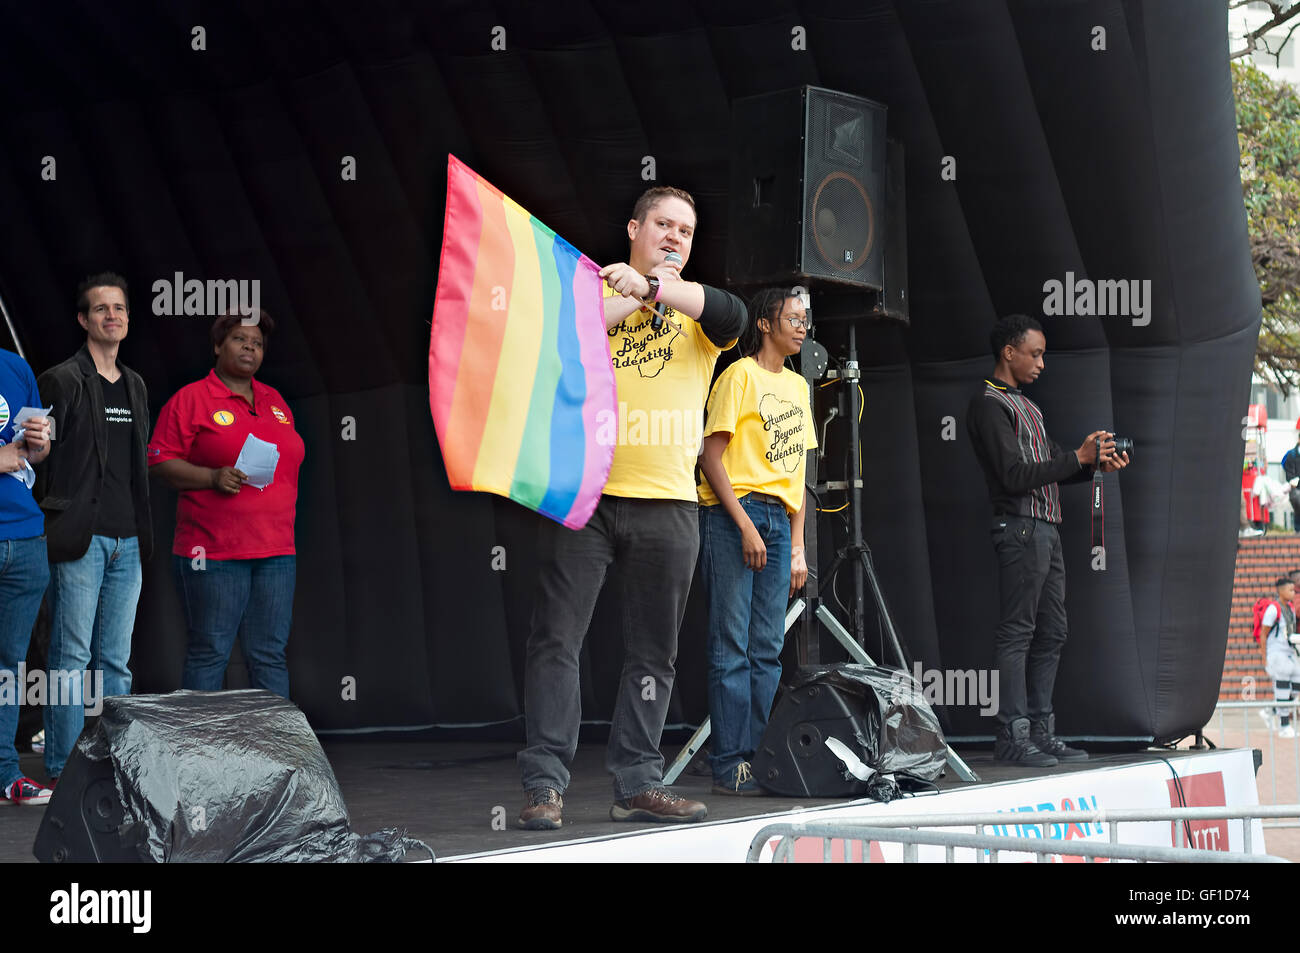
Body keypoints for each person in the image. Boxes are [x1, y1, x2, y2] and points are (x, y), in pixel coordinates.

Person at [517, 186, 747, 829]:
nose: (675, 237)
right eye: (663, 225)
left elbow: (734, 314)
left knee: (654, 652)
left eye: (686, 231)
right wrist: (628, 293)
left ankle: (638, 781)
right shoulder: (591, 294)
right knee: (557, 639)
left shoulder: (697, 314)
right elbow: (555, 339)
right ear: (633, 228)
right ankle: (544, 786)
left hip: (668, 503)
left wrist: (653, 289)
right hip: (585, 496)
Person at [966, 314, 1129, 767]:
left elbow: (1051, 470)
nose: (1041, 363)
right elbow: (1014, 476)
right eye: (1034, 353)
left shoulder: (1028, 407)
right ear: (1009, 353)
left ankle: (1040, 731)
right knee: (1018, 631)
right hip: (1019, 527)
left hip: (1044, 529)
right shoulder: (988, 403)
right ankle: (1013, 735)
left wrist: (1092, 463)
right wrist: (1077, 456)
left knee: (1053, 630)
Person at [148, 313, 304, 698]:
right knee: (210, 653)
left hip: (276, 550)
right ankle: (200, 754)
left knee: (270, 654)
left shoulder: (275, 400)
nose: (250, 347)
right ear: (218, 346)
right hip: (213, 551)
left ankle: (274, 753)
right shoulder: (191, 400)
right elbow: (158, 461)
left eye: (258, 342)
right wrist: (211, 477)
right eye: (239, 339)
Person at [697, 287, 815, 795]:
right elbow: (709, 456)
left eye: (805, 319)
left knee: (768, 647)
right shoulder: (738, 375)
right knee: (732, 645)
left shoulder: (800, 387)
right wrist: (745, 524)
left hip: (778, 518)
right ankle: (730, 762)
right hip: (733, 515)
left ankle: (761, 757)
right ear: (765, 324)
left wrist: (798, 546)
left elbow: (798, 474)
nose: (802, 325)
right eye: (792, 317)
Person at [35, 273, 152, 784]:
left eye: (120, 309)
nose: (112, 316)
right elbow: (37, 458)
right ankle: (63, 766)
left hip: (128, 539)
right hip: (80, 537)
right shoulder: (61, 379)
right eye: (101, 309)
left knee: (116, 661)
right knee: (71, 656)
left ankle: (116, 762)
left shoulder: (136, 383)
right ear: (83, 319)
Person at [0, 347, 53, 803]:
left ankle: (4, 773)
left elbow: (36, 451)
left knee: (8, 668)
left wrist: (39, 441)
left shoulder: (15, 365)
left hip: (24, 537)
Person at [1259, 577, 1300, 737]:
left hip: (1289, 652)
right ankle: (1284, 727)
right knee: (1282, 688)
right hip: (1276, 653)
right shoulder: (1273, 609)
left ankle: (1271, 710)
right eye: (1290, 590)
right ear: (1280, 591)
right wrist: (1265, 659)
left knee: (1296, 685)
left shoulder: (1289, 608)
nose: (1293, 593)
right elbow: (1263, 634)